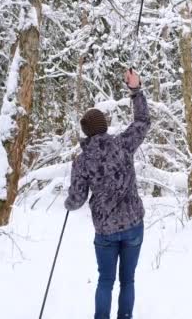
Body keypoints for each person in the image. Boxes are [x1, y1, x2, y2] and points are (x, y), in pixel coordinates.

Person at [64, 69, 150, 319]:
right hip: (134, 224)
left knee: (105, 281)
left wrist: (69, 201)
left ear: (85, 132)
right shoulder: (123, 145)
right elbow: (143, 121)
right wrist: (136, 90)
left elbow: (76, 200)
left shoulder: (82, 161)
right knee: (128, 281)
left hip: (105, 231)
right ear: (104, 126)